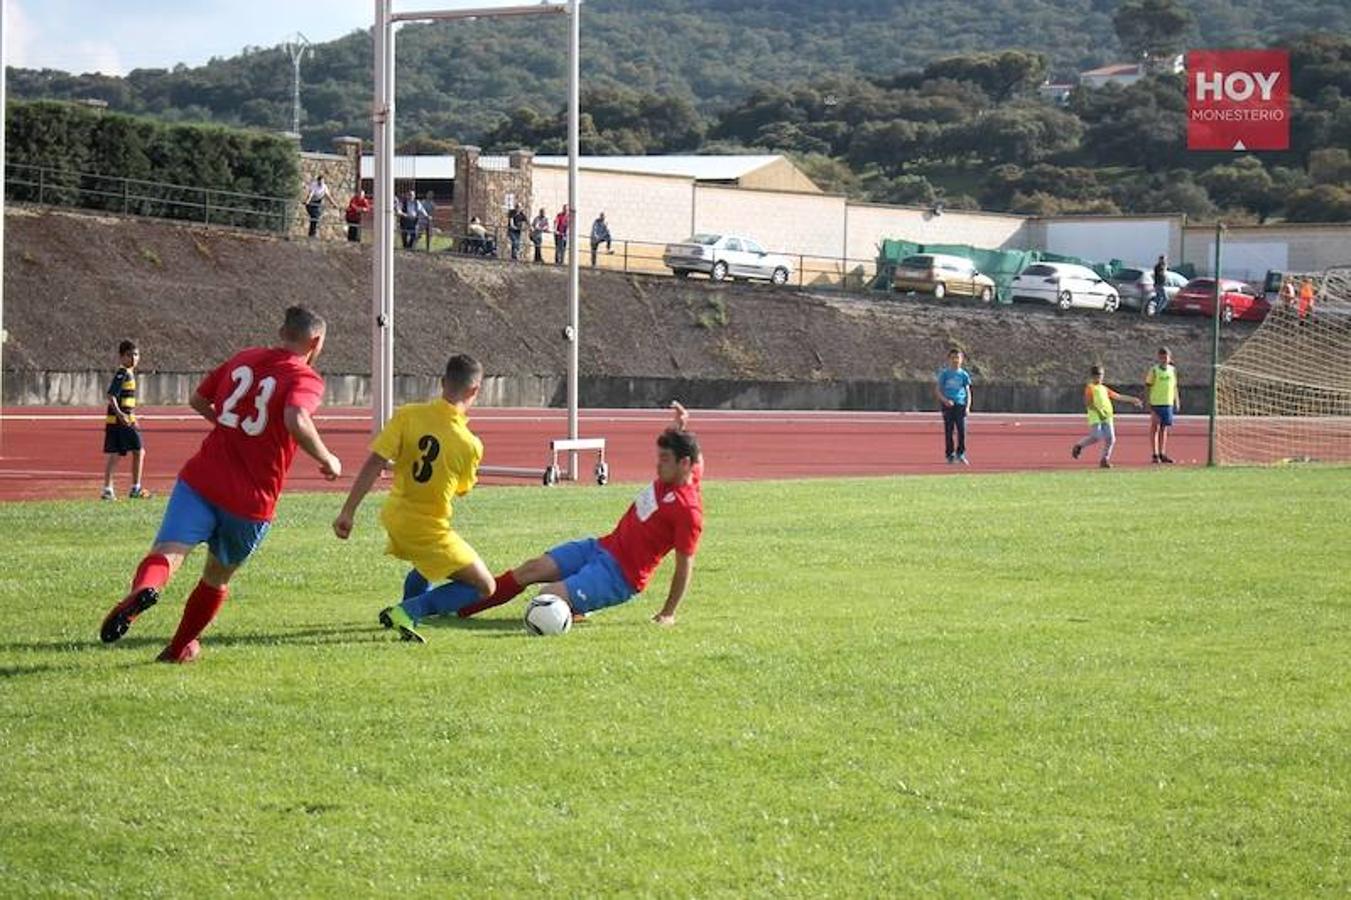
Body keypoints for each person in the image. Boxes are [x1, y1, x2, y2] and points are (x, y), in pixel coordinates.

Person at [99, 306, 342, 663]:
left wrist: (228, 424)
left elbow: (198, 399)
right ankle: (179, 647)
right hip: (250, 500)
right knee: (216, 577)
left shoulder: (244, 358)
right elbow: (295, 416)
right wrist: (327, 458)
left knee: (168, 551)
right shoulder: (304, 377)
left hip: (201, 480)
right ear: (316, 341)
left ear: (281, 331)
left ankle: (145, 589)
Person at [458, 402, 702, 627]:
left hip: (620, 575)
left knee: (546, 598)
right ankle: (461, 609)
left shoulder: (688, 510)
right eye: (659, 457)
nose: (658, 465)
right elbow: (695, 456)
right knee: (531, 570)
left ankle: (577, 603)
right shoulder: (683, 471)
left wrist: (668, 613)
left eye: (665, 459)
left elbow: (684, 567)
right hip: (601, 547)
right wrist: (680, 427)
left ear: (684, 464)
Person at [332, 354, 492, 644]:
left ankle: (405, 617)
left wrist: (348, 511)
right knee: (483, 586)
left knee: (426, 565)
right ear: (475, 391)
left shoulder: (408, 415)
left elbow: (374, 462)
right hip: (427, 526)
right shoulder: (470, 444)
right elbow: (463, 489)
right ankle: (407, 611)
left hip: (395, 514)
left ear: (442, 382)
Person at [102, 340, 151, 501]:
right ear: (121, 357)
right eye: (129, 355)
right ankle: (135, 488)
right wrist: (122, 415)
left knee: (116, 454)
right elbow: (111, 395)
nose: (133, 358)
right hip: (122, 420)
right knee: (139, 451)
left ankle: (107, 489)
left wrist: (133, 416)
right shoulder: (123, 373)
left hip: (119, 420)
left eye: (136, 354)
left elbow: (124, 399)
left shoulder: (126, 373)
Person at [1071, 365, 1142, 469]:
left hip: (1107, 416)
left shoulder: (1104, 388)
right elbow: (1088, 403)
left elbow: (1117, 396)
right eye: (1097, 376)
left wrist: (1133, 400)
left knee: (1111, 438)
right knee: (1096, 436)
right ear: (1092, 376)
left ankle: (1105, 459)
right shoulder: (1090, 388)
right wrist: (1099, 412)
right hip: (1096, 415)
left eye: (1101, 375)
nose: (1099, 378)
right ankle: (1079, 446)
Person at [934, 347, 973, 465]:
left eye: (957, 358)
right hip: (948, 406)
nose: (955, 360)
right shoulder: (945, 374)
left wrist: (967, 406)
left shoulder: (963, 375)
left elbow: (968, 391)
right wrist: (945, 400)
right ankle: (949, 455)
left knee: (962, 430)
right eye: (953, 358)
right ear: (949, 359)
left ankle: (960, 454)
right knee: (949, 431)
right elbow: (938, 390)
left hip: (960, 405)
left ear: (961, 359)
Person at [1144, 346, 1181, 464]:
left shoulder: (1172, 370)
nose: (1163, 359)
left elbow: (1174, 386)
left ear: (1169, 358)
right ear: (1158, 358)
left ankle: (1162, 453)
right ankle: (1154, 454)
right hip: (1156, 403)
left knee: (1164, 428)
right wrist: (1147, 401)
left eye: (1166, 357)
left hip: (1168, 403)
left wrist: (1177, 400)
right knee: (1155, 427)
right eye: (1161, 357)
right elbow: (1148, 386)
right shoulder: (1154, 370)